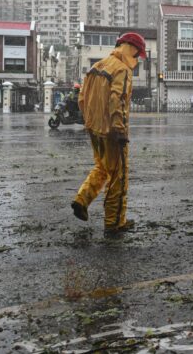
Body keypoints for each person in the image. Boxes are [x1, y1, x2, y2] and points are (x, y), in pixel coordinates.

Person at [70, 33, 147, 236]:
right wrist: (119, 130)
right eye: (138, 54)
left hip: (94, 129)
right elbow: (118, 100)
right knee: (118, 176)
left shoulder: (97, 66)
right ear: (132, 49)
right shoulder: (121, 69)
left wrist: (90, 121)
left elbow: (82, 98)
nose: (138, 58)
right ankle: (114, 223)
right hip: (112, 132)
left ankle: (82, 199)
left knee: (102, 167)